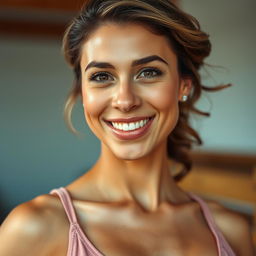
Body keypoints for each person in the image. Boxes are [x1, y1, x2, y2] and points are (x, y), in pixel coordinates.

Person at [0, 0, 254, 255]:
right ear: (82, 93)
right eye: (102, 76)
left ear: (183, 86)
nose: (125, 100)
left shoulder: (231, 230)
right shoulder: (34, 227)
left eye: (148, 72)